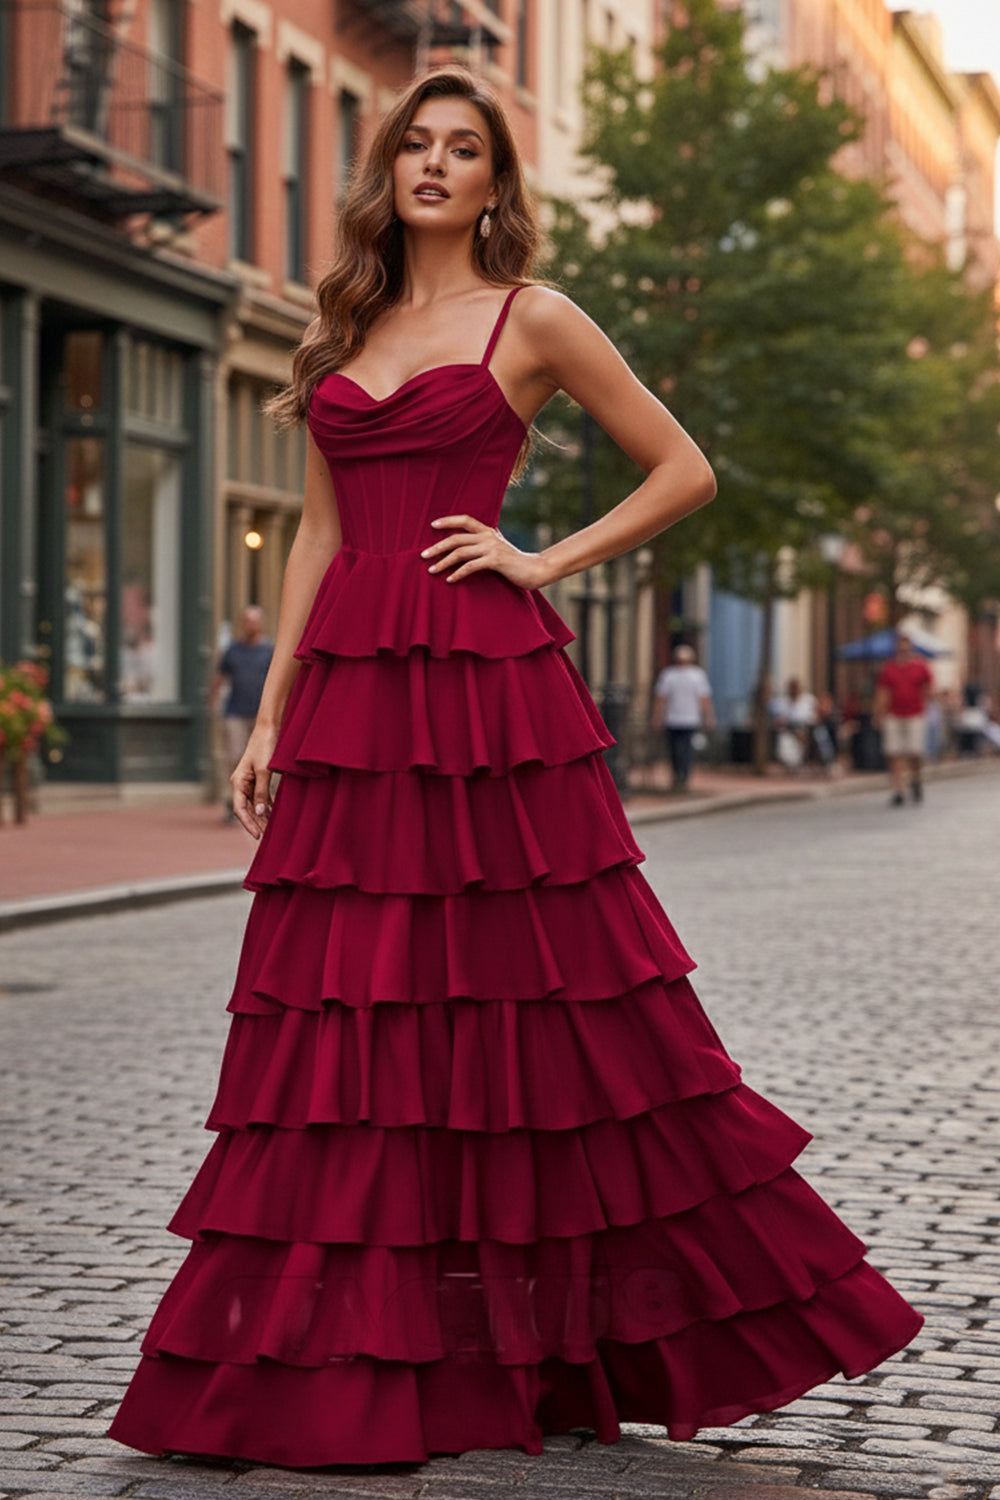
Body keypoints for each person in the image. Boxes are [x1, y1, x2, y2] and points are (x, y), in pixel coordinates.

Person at [109, 66, 921, 1467]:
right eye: (414, 145)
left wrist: (539, 559)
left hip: (487, 702)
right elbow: (312, 535)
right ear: (391, 168)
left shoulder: (532, 317)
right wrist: (265, 720)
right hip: (357, 703)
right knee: (346, 1021)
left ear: (497, 180)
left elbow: (684, 468)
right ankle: (324, 1351)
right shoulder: (342, 319)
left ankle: (578, 1333)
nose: (433, 165)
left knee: (537, 1010)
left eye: (463, 147)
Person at [209, 606, 274, 822]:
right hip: (235, 711)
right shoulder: (232, 651)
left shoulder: (269, 650)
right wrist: (213, 702)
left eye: (254, 621)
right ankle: (231, 802)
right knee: (234, 756)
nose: (251, 625)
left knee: (263, 762)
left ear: (261, 623)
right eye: (247, 621)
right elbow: (220, 677)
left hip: (261, 714)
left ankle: (260, 801)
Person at [873, 630, 933, 806]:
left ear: (911, 649)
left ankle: (916, 779)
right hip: (894, 715)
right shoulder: (889, 669)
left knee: (915, 751)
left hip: (915, 714)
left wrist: (929, 708)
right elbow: (883, 692)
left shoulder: (920, 667)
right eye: (900, 649)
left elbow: (928, 689)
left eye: (906, 649)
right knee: (894, 752)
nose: (903, 652)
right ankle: (898, 789)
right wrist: (878, 713)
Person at [651, 644, 714, 793]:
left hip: (681, 718)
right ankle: (681, 776)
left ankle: (681, 776)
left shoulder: (673, 675)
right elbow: (704, 699)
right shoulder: (678, 676)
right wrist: (709, 717)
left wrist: (657, 717)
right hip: (680, 718)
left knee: (679, 749)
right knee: (682, 750)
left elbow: (661, 699)